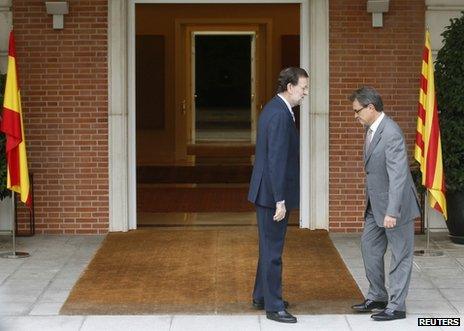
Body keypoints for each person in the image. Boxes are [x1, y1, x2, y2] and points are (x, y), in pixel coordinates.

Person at [349, 86, 421, 321]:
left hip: (395, 207)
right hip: (375, 205)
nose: (355, 115)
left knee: (400, 255)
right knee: (369, 247)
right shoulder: (370, 129)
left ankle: (396, 306)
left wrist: (393, 211)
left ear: (371, 107)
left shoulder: (391, 133)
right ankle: (378, 295)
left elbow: (398, 175)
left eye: (357, 111)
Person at [248, 67, 309, 324]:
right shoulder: (279, 115)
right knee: (273, 252)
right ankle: (274, 307)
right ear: (289, 87)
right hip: (272, 195)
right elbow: (276, 160)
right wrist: (280, 200)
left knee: (268, 248)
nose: (306, 93)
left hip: (267, 192)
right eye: (303, 88)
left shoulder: (277, 109)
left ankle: (262, 296)